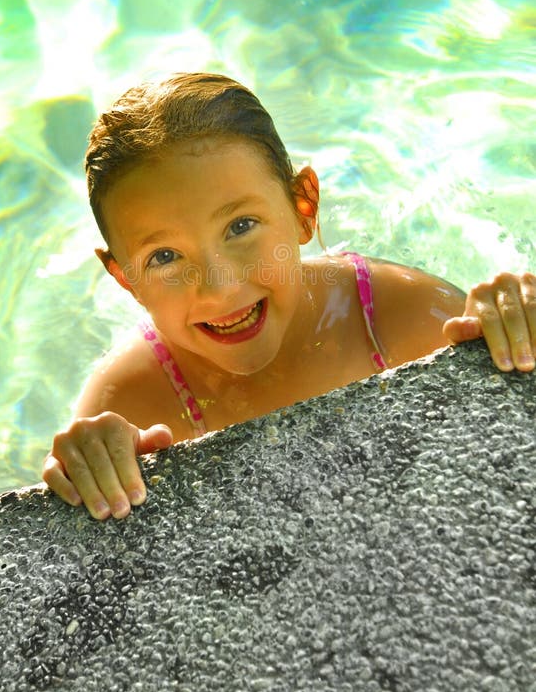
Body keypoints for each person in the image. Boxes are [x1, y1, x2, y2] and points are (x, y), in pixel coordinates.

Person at [42, 73, 536, 520]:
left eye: (240, 226)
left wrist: (511, 321)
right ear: (126, 278)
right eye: (165, 258)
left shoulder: (392, 314)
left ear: (304, 208)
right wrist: (90, 457)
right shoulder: (131, 399)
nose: (220, 287)